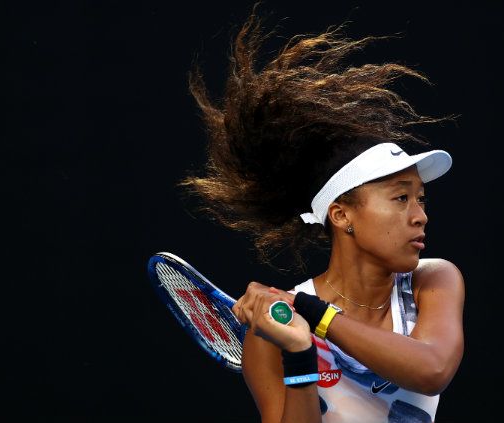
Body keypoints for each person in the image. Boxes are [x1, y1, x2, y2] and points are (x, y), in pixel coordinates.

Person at [182, 8, 465, 423]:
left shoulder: (434, 280)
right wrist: (299, 352)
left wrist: (313, 313)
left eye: (422, 200)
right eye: (401, 199)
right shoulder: (274, 330)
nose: (420, 216)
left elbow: (432, 370)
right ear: (341, 214)